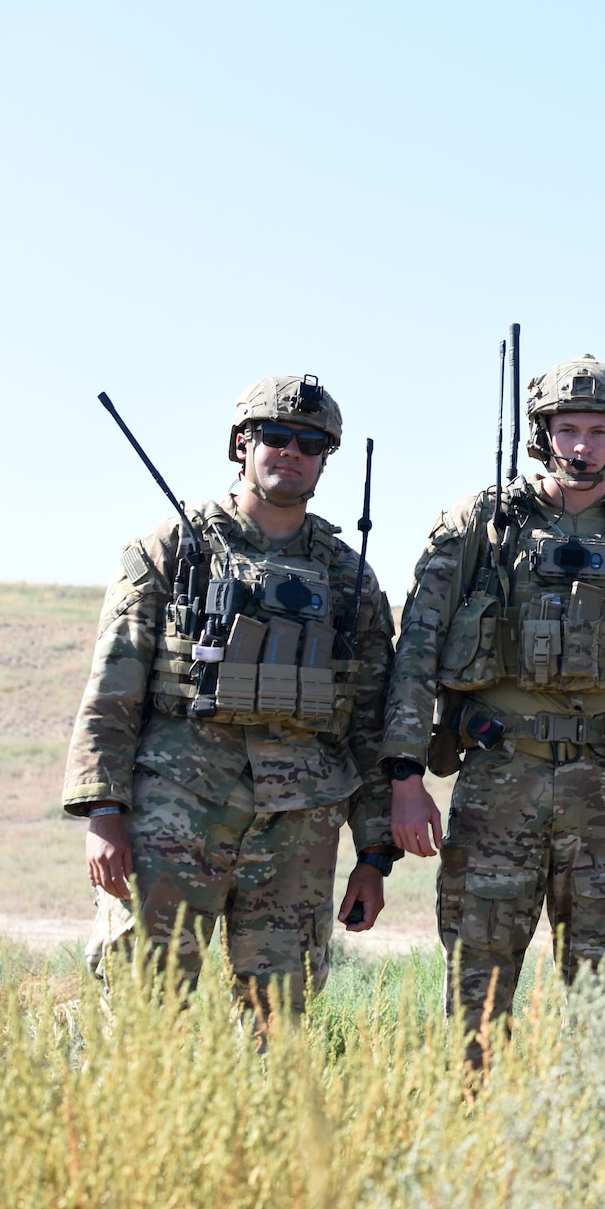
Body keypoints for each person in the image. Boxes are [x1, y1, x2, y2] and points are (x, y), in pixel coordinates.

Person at [381, 355, 605, 1032]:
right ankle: (474, 1125)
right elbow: (415, 647)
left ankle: (583, 1131)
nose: (583, 445)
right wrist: (405, 775)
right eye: (568, 429)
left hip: (602, 794)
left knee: (597, 995)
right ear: (543, 432)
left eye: (597, 430)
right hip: (497, 779)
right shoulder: (483, 524)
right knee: (478, 985)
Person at [69, 374, 395, 1010]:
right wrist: (102, 812)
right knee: (141, 1005)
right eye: (275, 435)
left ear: (326, 457)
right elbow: (112, 691)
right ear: (242, 444)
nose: (291, 451)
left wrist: (373, 854)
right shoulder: (169, 549)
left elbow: (368, 719)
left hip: (299, 823)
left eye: (311, 442)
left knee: (281, 1015)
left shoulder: (349, 574)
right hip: (174, 813)